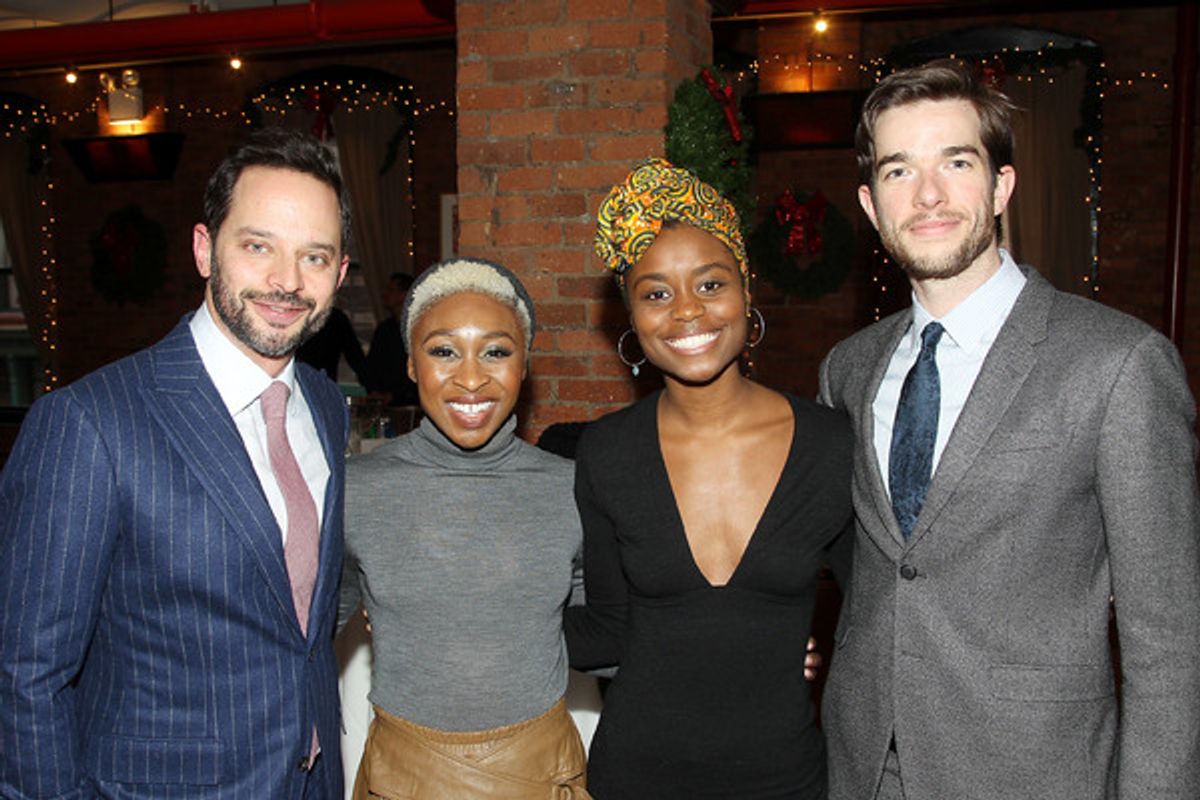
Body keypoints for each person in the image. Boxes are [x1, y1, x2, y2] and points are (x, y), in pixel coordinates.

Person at [817, 59, 1200, 800]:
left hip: (1032, 771)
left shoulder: (1119, 363)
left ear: (1001, 186)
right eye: (899, 171)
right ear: (870, 205)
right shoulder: (848, 370)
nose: (928, 194)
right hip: (864, 768)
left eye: (956, 162)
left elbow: (1170, 640)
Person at [0, 127, 352, 799]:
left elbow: (300, 624)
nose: (286, 281)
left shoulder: (327, 408)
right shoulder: (90, 422)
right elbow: (23, 675)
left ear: (338, 275)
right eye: (258, 247)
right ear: (203, 249)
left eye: (314, 256)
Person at [565, 158, 854, 798]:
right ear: (632, 320)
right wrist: (473, 612)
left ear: (747, 294)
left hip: (784, 779)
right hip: (637, 775)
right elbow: (609, 627)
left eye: (711, 284)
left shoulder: (831, 445)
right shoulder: (608, 452)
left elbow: (874, 617)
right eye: (656, 293)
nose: (687, 313)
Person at [339, 257, 591, 799]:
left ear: (525, 366)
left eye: (496, 351)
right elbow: (297, 638)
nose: (471, 377)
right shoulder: (355, 489)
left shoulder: (572, 490)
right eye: (443, 350)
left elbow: (626, 628)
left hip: (538, 777)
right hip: (402, 779)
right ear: (410, 364)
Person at [366, 271, 419, 406]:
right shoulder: (384, 329)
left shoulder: (417, 330)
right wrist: (374, 390)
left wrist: (396, 395)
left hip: (410, 404)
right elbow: (372, 365)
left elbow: (420, 369)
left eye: (390, 289)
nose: (384, 294)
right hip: (382, 403)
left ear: (404, 294)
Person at [297, 305, 372, 388]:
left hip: (297, 381)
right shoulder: (336, 318)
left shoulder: (297, 316)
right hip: (325, 384)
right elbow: (354, 356)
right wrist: (370, 385)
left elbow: (355, 356)